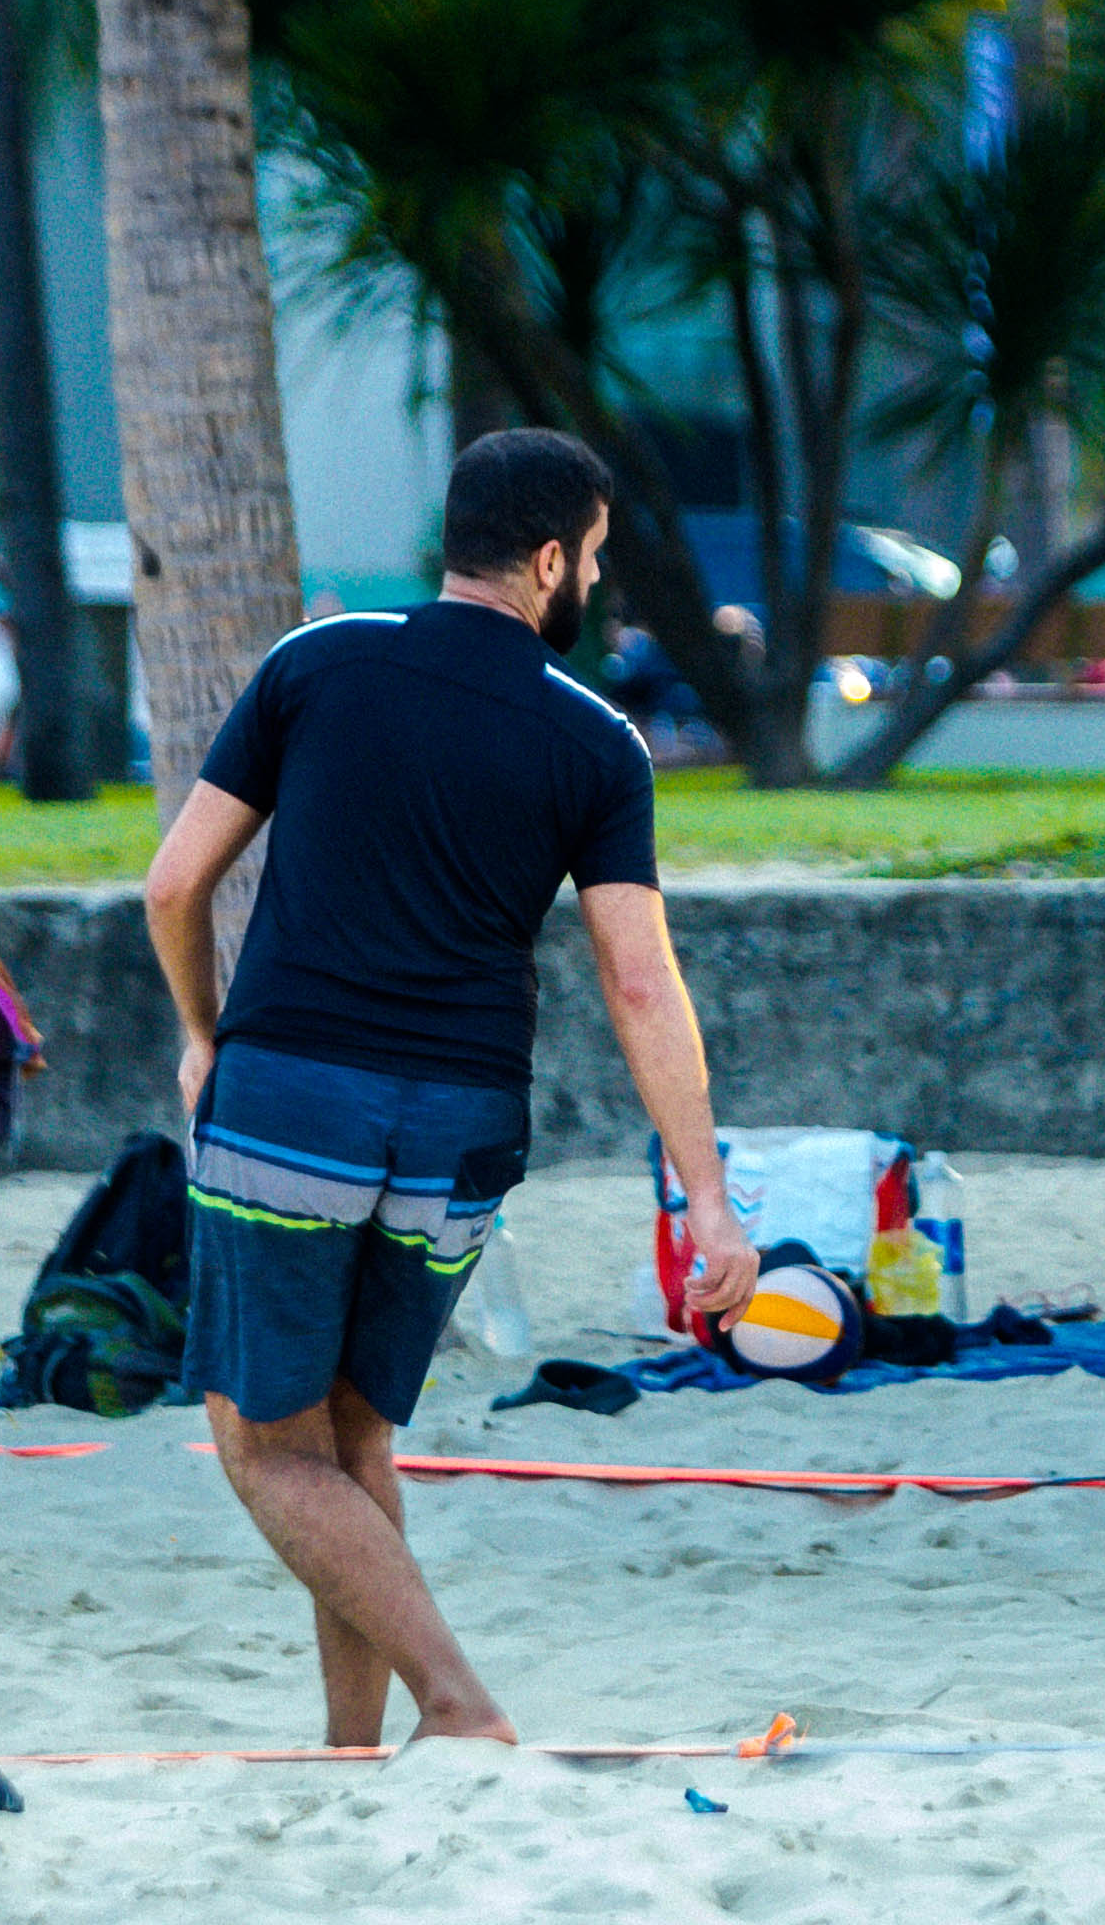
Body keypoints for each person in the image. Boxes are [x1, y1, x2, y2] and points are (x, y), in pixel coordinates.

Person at [144, 428, 761, 1750]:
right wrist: (706, 1201)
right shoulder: (595, 744)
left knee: (266, 1451)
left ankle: (456, 1705)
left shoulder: (313, 667)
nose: (589, 581)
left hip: (293, 1101)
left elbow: (172, 883)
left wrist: (205, 1034)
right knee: (354, 1443)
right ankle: (352, 1749)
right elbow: (641, 982)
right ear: (548, 561)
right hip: (462, 1135)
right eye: (591, 557)